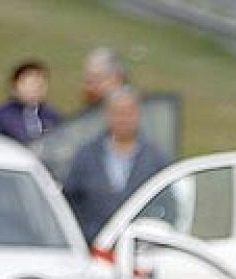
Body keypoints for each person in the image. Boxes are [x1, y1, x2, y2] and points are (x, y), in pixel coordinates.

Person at [61, 87, 170, 240]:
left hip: (141, 249)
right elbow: (69, 201)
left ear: (138, 114)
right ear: (107, 115)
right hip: (93, 248)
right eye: (118, 113)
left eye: (128, 113)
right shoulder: (87, 155)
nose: (123, 119)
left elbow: (168, 206)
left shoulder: (155, 158)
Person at [0, 60, 61, 145]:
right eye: (30, 83)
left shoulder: (52, 116)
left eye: (40, 84)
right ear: (15, 86)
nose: (35, 88)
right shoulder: (1, 116)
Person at [79, 47, 128, 112]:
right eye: (88, 82)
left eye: (98, 80)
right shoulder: (86, 116)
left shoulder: (139, 109)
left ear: (118, 79)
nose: (90, 88)